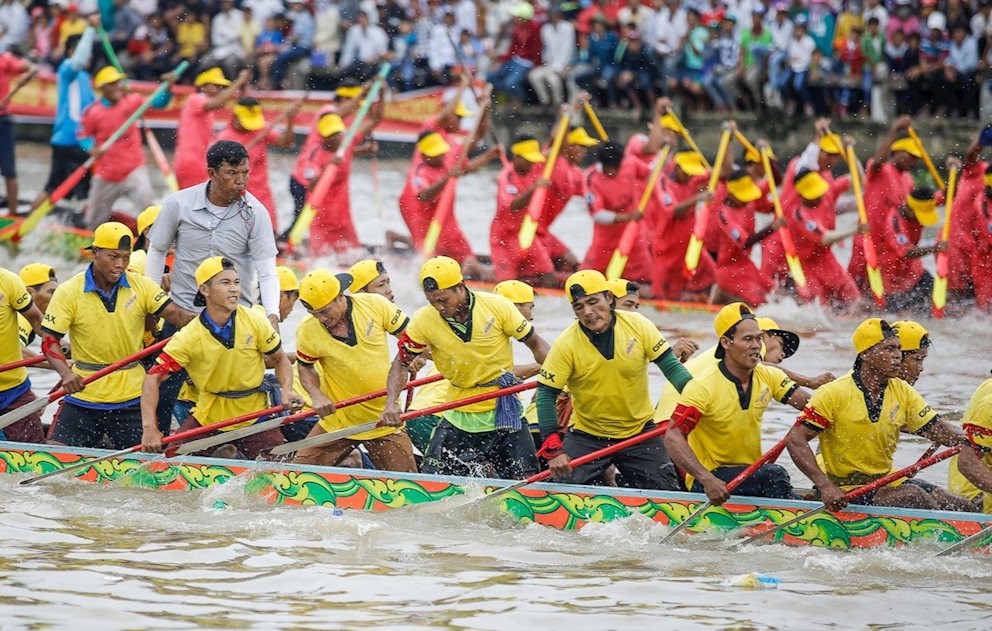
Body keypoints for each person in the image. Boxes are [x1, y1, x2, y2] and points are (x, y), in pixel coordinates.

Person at [379, 256, 550, 479]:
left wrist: (559, 374)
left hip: (505, 410)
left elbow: (536, 344)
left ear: (461, 287)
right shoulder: (424, 321)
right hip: (460, 413)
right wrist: (391, 403)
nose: (439, 307)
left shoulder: (497, 307)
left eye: (443, 300)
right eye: (433, 302)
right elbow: (400, 363)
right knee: (435, 480)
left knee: (526, 481)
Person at [786, 318, 974, 512]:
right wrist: (825, 486)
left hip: (882, 482)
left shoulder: (903, 391)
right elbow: (795, 439)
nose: (897, 357)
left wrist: (974, 440)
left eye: (899, 350)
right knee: (913, 496)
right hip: (845, 488)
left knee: (961, 505)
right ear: (866, 353)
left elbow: (939, 430)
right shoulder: (834, 392)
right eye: (889, 349)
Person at [41, 223, 194, 450]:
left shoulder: (141, 285)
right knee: (53, 460)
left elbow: (177, 316)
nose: (120, 265)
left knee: (149, 465)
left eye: (126, 257)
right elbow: (49, 341)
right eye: (113, 257)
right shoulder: (69, 291)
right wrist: (65, 374)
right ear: (95, 253)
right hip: (84, 394)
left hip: (132, 397)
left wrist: (220, 318)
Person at [536, 270, 692, 490]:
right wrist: (553, 448)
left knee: (668, 492)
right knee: (562, 492)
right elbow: (545, 395)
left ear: (609, 298)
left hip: (640, 434)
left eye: (593, 302)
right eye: (579, 307)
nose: (588, 312)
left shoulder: (639, 324)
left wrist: (700, 399)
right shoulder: (566, 344)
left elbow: (672, 369)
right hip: (587, 436)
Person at [140, 257, 303, 457]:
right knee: (170, 463)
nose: (234, 289)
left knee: (280, 471)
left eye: (236, 282)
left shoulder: (255, 321)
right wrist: (149, 428)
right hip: (209, 417)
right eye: (225, 283)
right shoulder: (189, 337)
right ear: (204, 290)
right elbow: (153, 377)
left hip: (256, 417)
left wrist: (286, 391)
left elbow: (279, 360)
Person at [663, 303, 811, 503]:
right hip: (713, 481)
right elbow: (673, 436)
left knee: (772, 477)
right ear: (726, 342)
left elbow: (810, 405)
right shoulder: (704, 386)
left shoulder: (769, 376)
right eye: (747, 339)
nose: (756, 346)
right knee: (773, 474)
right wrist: (706, 479)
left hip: (748, 476)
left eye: (759, 338)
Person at [292, 269, 417, 471]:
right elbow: (305, 367)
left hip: (383, 418)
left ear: (340, 296)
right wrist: (316, 395)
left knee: (412, 487)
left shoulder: (374, 305)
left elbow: (413, 339)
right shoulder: (307, 330)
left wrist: (415, 356)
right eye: (314, 314)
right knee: (295, 477)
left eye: (324, 312)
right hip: (337, 421)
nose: (321, 319)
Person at [78, 66, 177, 229]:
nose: (118, 86)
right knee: (94, 223)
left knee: (149, 209)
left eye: (119, 83)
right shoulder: (93, 112)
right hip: (106, 175)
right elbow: (82, 136)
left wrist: (168, 87)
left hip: (134, 170)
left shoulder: (132, 102)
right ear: (103, 88)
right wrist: (92, 148)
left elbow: (159, 103)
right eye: (113, 84)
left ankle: (153, 241)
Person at [397, 130, 497, 278]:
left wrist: (489, 156)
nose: (441, 156)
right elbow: (423, 195)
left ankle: (473, 281)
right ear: (424, 156)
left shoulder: (446, 160)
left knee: (469, 261)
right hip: (430, 229)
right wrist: (447, 178)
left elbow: (466, 167)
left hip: (450, 226)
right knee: (436, 271)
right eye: (436, 154)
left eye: (441, 152)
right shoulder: (419, 172)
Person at [285, 106, 381, 255]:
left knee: (352, 253)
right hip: (320, 215)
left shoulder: (346, 142)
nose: (337, 137)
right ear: (323, 136)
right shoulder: (314, 154)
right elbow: (311, 186)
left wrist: (380, 94)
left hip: (342, 212)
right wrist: (328, 166)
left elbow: (375, 120)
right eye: (332, 134)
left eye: (338, 133)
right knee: (321, 257)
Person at [848, 116, 920, 295]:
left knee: (882, 292)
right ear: (897, 152)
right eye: (910, 157)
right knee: (856, 289)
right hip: (867, 238)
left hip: (889, 245)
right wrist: (894, 130)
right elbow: (879, 158)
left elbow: (915, 208)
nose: (913, 162)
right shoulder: (879, 169)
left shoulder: (909, 180)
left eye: (916, 158)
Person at [34, 24, 97, 214]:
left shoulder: (85, 77)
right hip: (66, 141)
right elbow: (77, 61)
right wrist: (90, 29)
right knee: (53, 187)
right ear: (72, 51)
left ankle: (82, 223)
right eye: (85, 51)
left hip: (84, 144)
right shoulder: (67, 70)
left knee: (86, 190)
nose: (89, 56)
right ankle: (26, 219)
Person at [217, 95, 301, 231]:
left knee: (270, 236)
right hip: (235, 198)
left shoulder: (261, 129)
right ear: (235, 117)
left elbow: (286, 143)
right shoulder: (223, 139)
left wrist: (290, 120)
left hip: (262, 196)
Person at [785, 168, 862, 310]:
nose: (820, 195)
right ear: (802, 195)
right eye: (815, 193)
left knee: (856, 301)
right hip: (807, 266)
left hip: (827, 259)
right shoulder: (800, 215)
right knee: (822, 311)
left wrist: (851, 155)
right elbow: (824, 238)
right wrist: (856, 229)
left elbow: (857, 179)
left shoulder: (827, 192)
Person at [582, 141, 654, 284]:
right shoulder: (591, 178)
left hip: (633, 235)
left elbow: (649, 173)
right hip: (605, 240)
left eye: (616, 168)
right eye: (609, 169)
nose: (613, 172)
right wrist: (628, 217)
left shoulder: (631, 162)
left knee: (646, 281)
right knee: (589, 282)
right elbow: (597, 215)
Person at [490, 134, 558, 286]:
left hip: (526, 233)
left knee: (549, 278)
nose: (533, 164)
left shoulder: (534, 166)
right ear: (516, 157)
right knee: (508, 286)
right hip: (504, 238)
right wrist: (535, 188)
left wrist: (566, 116)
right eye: (529, 160)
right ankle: (480, 271)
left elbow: (554, 143)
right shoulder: (506, 177)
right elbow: (513, 206)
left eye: (534, 160)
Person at [650, 150, 715, 300]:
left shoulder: (693, 180)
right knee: (659, 297)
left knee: (677, 295)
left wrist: (728, 140)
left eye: (692, 172)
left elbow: (722, 171)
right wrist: (698, 197)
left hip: (686, 250)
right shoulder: (663, 182)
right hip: (665, 250)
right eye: (686, 171)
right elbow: (673, 211)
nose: (689, 175)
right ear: (676, 167)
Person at [709, 168, 779, 305]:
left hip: (746, 264)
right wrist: (772, 227)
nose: (748, 200)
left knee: (774, 292)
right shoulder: (725, 215)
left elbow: (776, 180)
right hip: (728, 270)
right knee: (758, 302)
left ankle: (725, 296)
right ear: (732, 194)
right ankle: (723, 295)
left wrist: (767, 157)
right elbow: (745, 242)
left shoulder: (749, 201)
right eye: (744, 197)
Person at [174, 67, 250, 189]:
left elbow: (239, 107)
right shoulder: (195, 99)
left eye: (222, 87)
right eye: (216, 86)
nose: (220, 90)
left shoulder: (207, 109)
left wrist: (243, 86)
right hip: (190, 163)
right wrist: (239, 82)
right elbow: (217, 103)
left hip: (200, 162)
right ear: (203, 86)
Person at [537, 126, 599, 273]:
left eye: (586, 147)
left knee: (571, 264)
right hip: (529, 229)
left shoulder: (577, 174)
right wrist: (568, 115)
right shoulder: (551, 160)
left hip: (543, 232)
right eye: (581, 146)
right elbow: (555, 141)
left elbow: (595, 192)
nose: (584, 152)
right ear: (568, 146)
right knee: (548, 273)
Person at [876, 186, 945, 313]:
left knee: (938, 303)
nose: (921, 220)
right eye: (921, 215)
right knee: (901, 318)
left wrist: (948, 190)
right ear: (909, 208)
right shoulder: (895, 224)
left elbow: (941, 198)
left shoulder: (917, 207)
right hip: (893, 279)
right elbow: (907, 252)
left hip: (914, 272)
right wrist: (935, 248)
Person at [0, 266, 45, 443]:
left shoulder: (8, 281)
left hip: (15, 392)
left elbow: (37, 321)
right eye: (51, 292)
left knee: (35, 459)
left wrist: (63, 350)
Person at [0, 51, 35, 213]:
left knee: (9, 170)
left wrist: (24, 78)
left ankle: (13, 214)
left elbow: (32, 69)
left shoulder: (5, 59)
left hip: (3, 120)